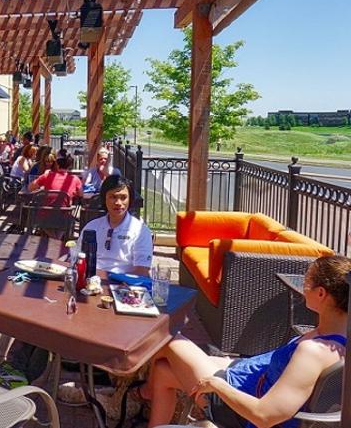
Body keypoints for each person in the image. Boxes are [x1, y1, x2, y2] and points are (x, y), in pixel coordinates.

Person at [145, 255, 350, 428]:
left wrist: (217, 386)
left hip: (237, 406)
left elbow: (264, 416)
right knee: (164, 370)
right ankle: (146, 400)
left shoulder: (313, 352)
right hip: (250, 377)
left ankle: (139, 394)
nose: (302, 286)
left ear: (321, 293)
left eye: (306, 281)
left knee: (168, 339)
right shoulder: (332, 334)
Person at [77, 175, 152, 277]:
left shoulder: (141, 231)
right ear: (104, 198)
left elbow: (142, 271)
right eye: (113, 197)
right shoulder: (91, 227)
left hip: (124, 286)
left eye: (123, 197)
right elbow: (78, 258)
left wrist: (111, 280)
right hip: (91, 282)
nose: (118, 203)